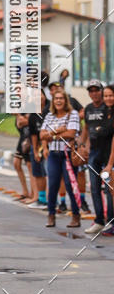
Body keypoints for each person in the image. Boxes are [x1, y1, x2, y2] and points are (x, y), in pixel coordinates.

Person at [40, 89, 81, 228]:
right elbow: (42, 135)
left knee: (70, 185)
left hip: (68, 155)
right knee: (52, 185)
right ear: (53, 101)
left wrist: (51, 135)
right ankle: (51, 215)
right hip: (53, 154)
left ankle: (76, 215)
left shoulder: (72, 114)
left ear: (65, 100)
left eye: (61, 98)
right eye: (56, 98)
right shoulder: (50, 116)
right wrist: (58, 131)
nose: (58, 101)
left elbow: (71, 133)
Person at [80, 80, 114, 235]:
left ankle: (110, 221)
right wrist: (83, 147)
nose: (94, 93)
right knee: (94, 187)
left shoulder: (108, 109)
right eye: (91, 90)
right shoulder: (88, 109)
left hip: (108, 153)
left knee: (109, 188)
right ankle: (99, 220)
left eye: (97, 90)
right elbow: (86, 129)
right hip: (94, 152)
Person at [26, 90, 49, 208]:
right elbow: (33, 135)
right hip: (38, 147)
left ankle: (60, 201)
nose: (38, 97)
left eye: (40, 94)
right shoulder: (33, 115)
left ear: (44, 95)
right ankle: (42, 199)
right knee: (38, 172)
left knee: (51, 173)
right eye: (34, 95)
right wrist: (35, 151)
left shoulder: (51, 109)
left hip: (51, 145)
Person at [101, 83, 114, 236]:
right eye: (106, 96)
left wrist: (110, 164)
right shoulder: (107, 112)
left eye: (111, 95)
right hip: (106, 157)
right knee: (110, 192)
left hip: (111, 159)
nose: (108, 98)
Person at [13, 113, 33, 202]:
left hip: (29, 138)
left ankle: (33, 194)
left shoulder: (30, 106)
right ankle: (25, 192)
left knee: (30, 166)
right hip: (23, 138)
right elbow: (19, 124)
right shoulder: (20, 109)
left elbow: (27, 122)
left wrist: (20, 117)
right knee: (16, 163)